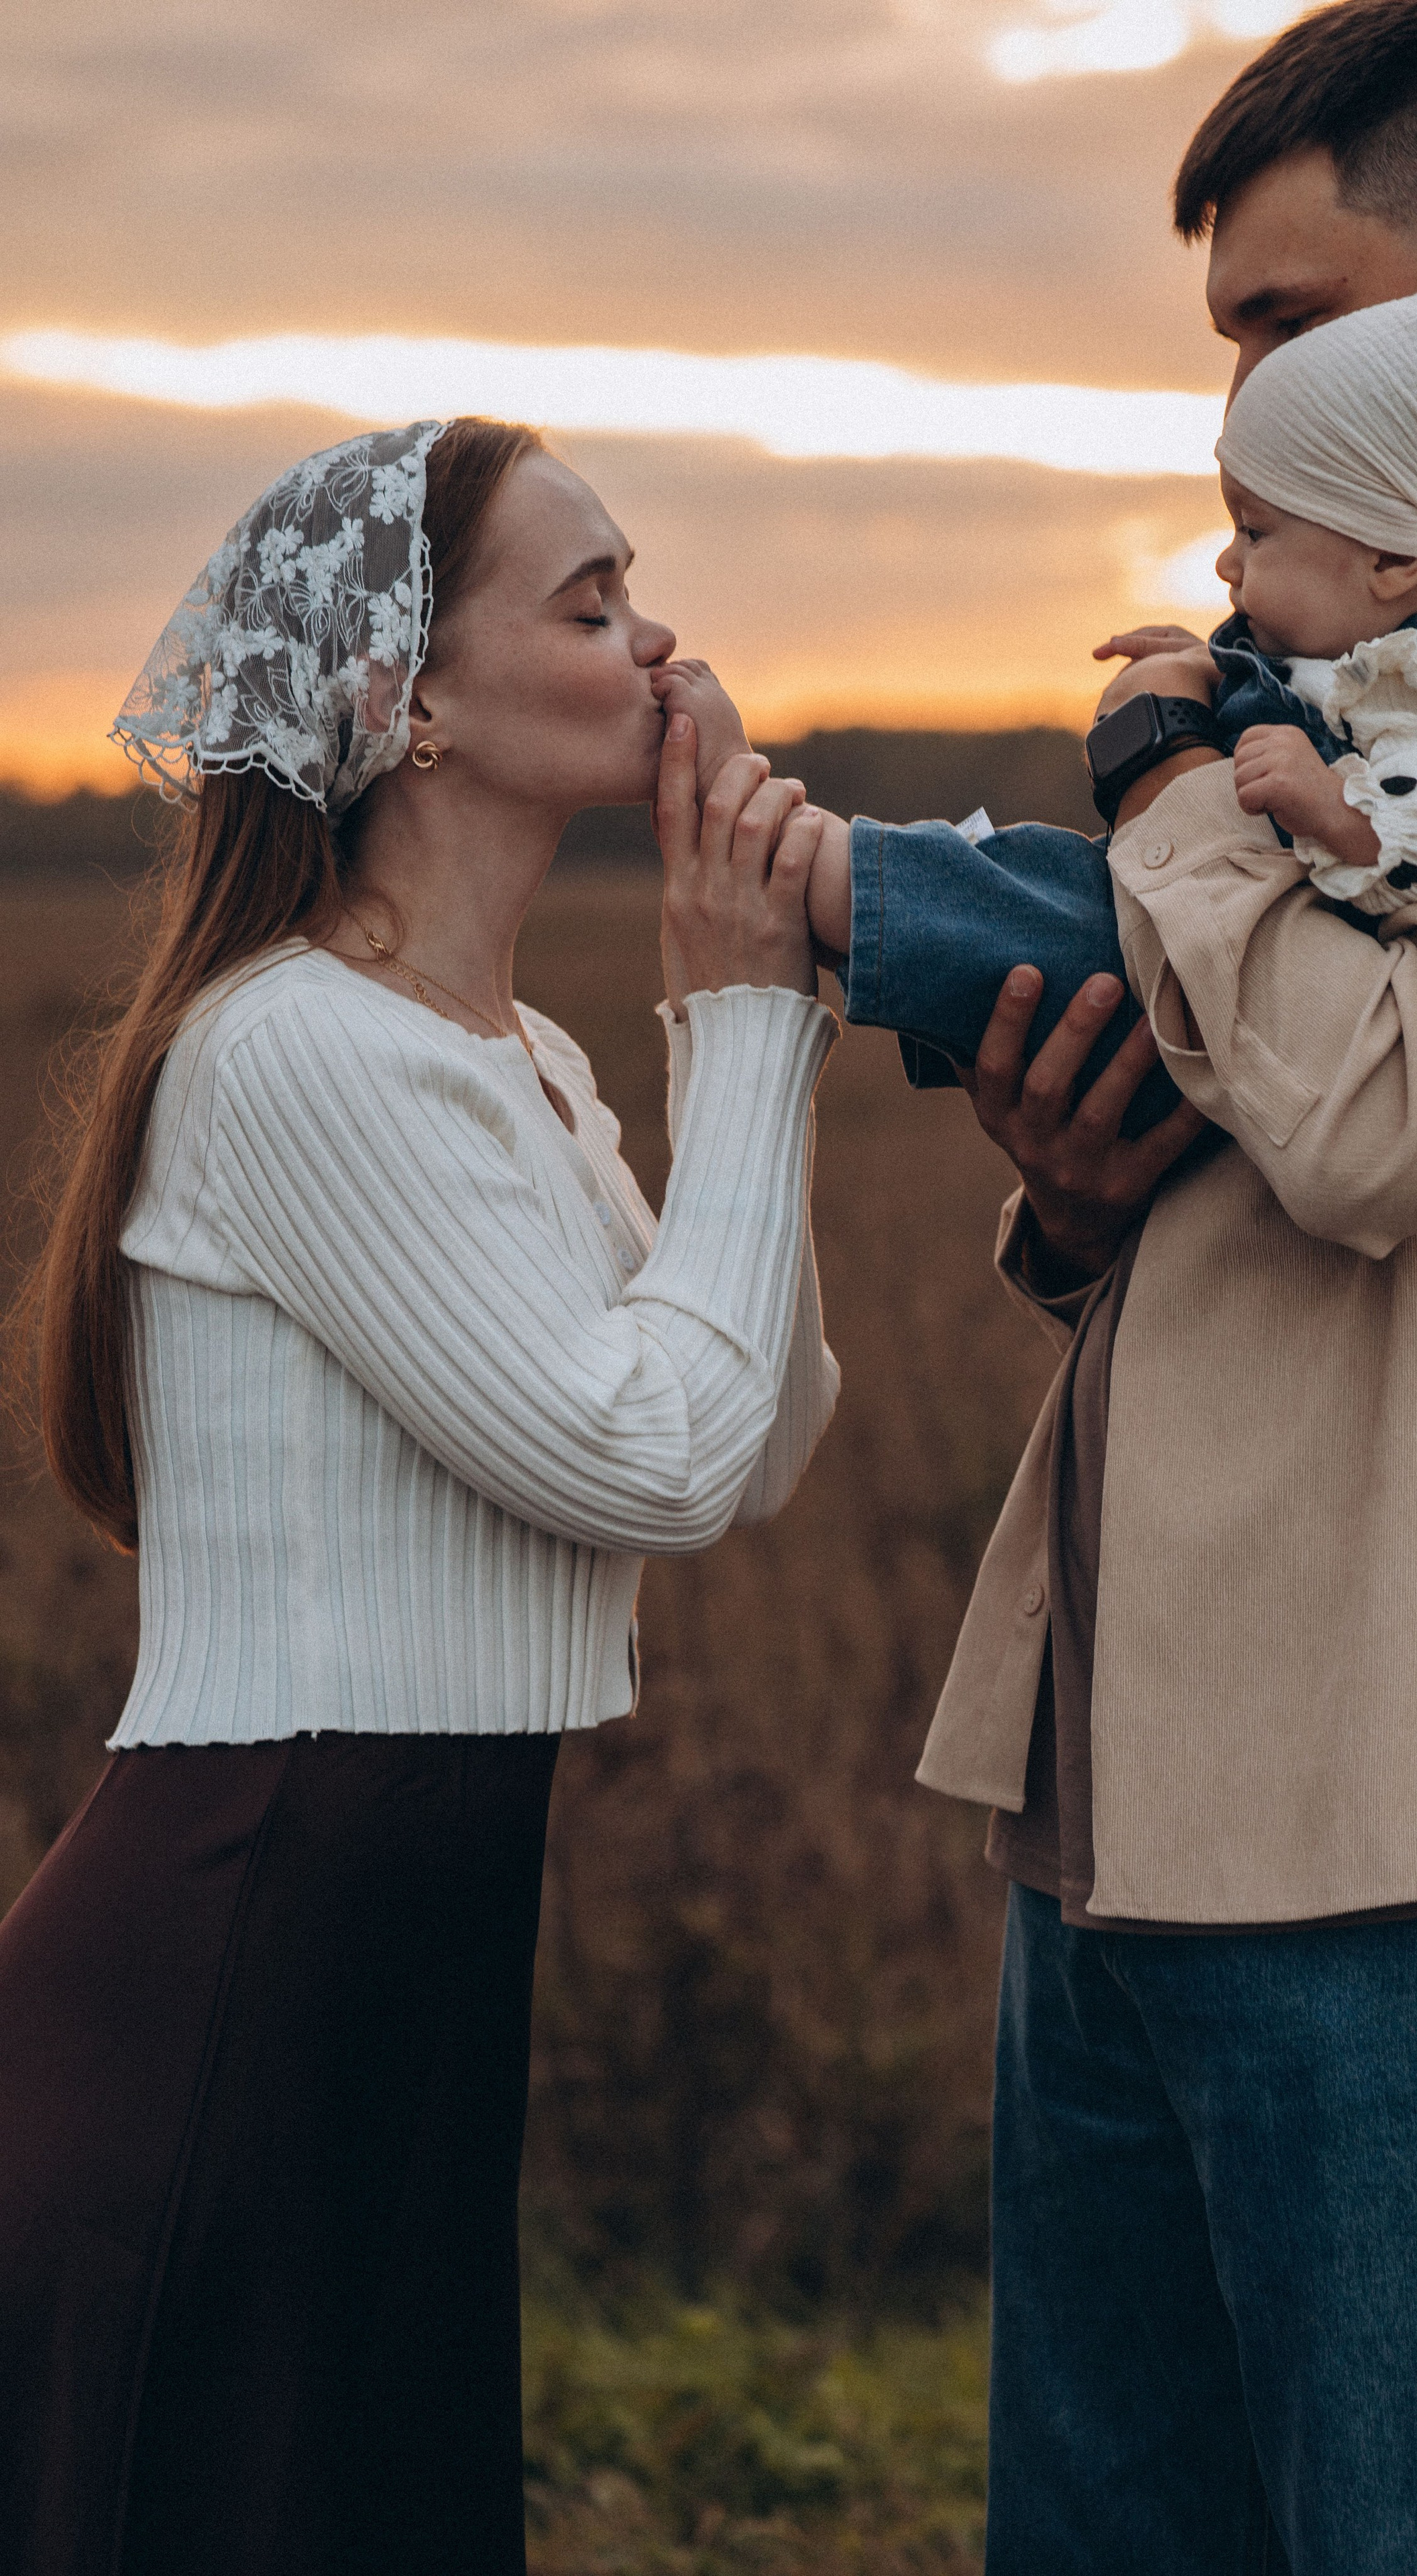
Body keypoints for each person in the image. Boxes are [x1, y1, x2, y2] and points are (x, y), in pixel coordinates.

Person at [847, 2, 1417, 2567]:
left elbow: (1368, 1118)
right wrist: (1081, 1198)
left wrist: (1164, 805)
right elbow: (1293, 1127)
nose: (1244, 399)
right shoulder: (1337, 635)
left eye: (1285, 320)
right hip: (1118, 1822)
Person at [0, 415, 838, 2576]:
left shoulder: (513, 1061)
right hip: (238, 1964)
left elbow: (759, 1434)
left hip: (401, 1970)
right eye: (590, 602)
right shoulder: (294, 1051)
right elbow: (656, 1451)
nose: (659, 644)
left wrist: (735, 1033)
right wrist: (745, 1026)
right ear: (409, 697)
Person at [795, 288, 1417, 1066]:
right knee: (1037, 882)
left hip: (1255, 1005)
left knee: (1056, 916)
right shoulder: (1338, 660)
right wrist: (1207, 665)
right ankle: (833, 898)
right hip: (1194, 956)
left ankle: (823, 878)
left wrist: (1338, 809)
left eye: (1255, 532)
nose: (1227, 563)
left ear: (1392, 557)